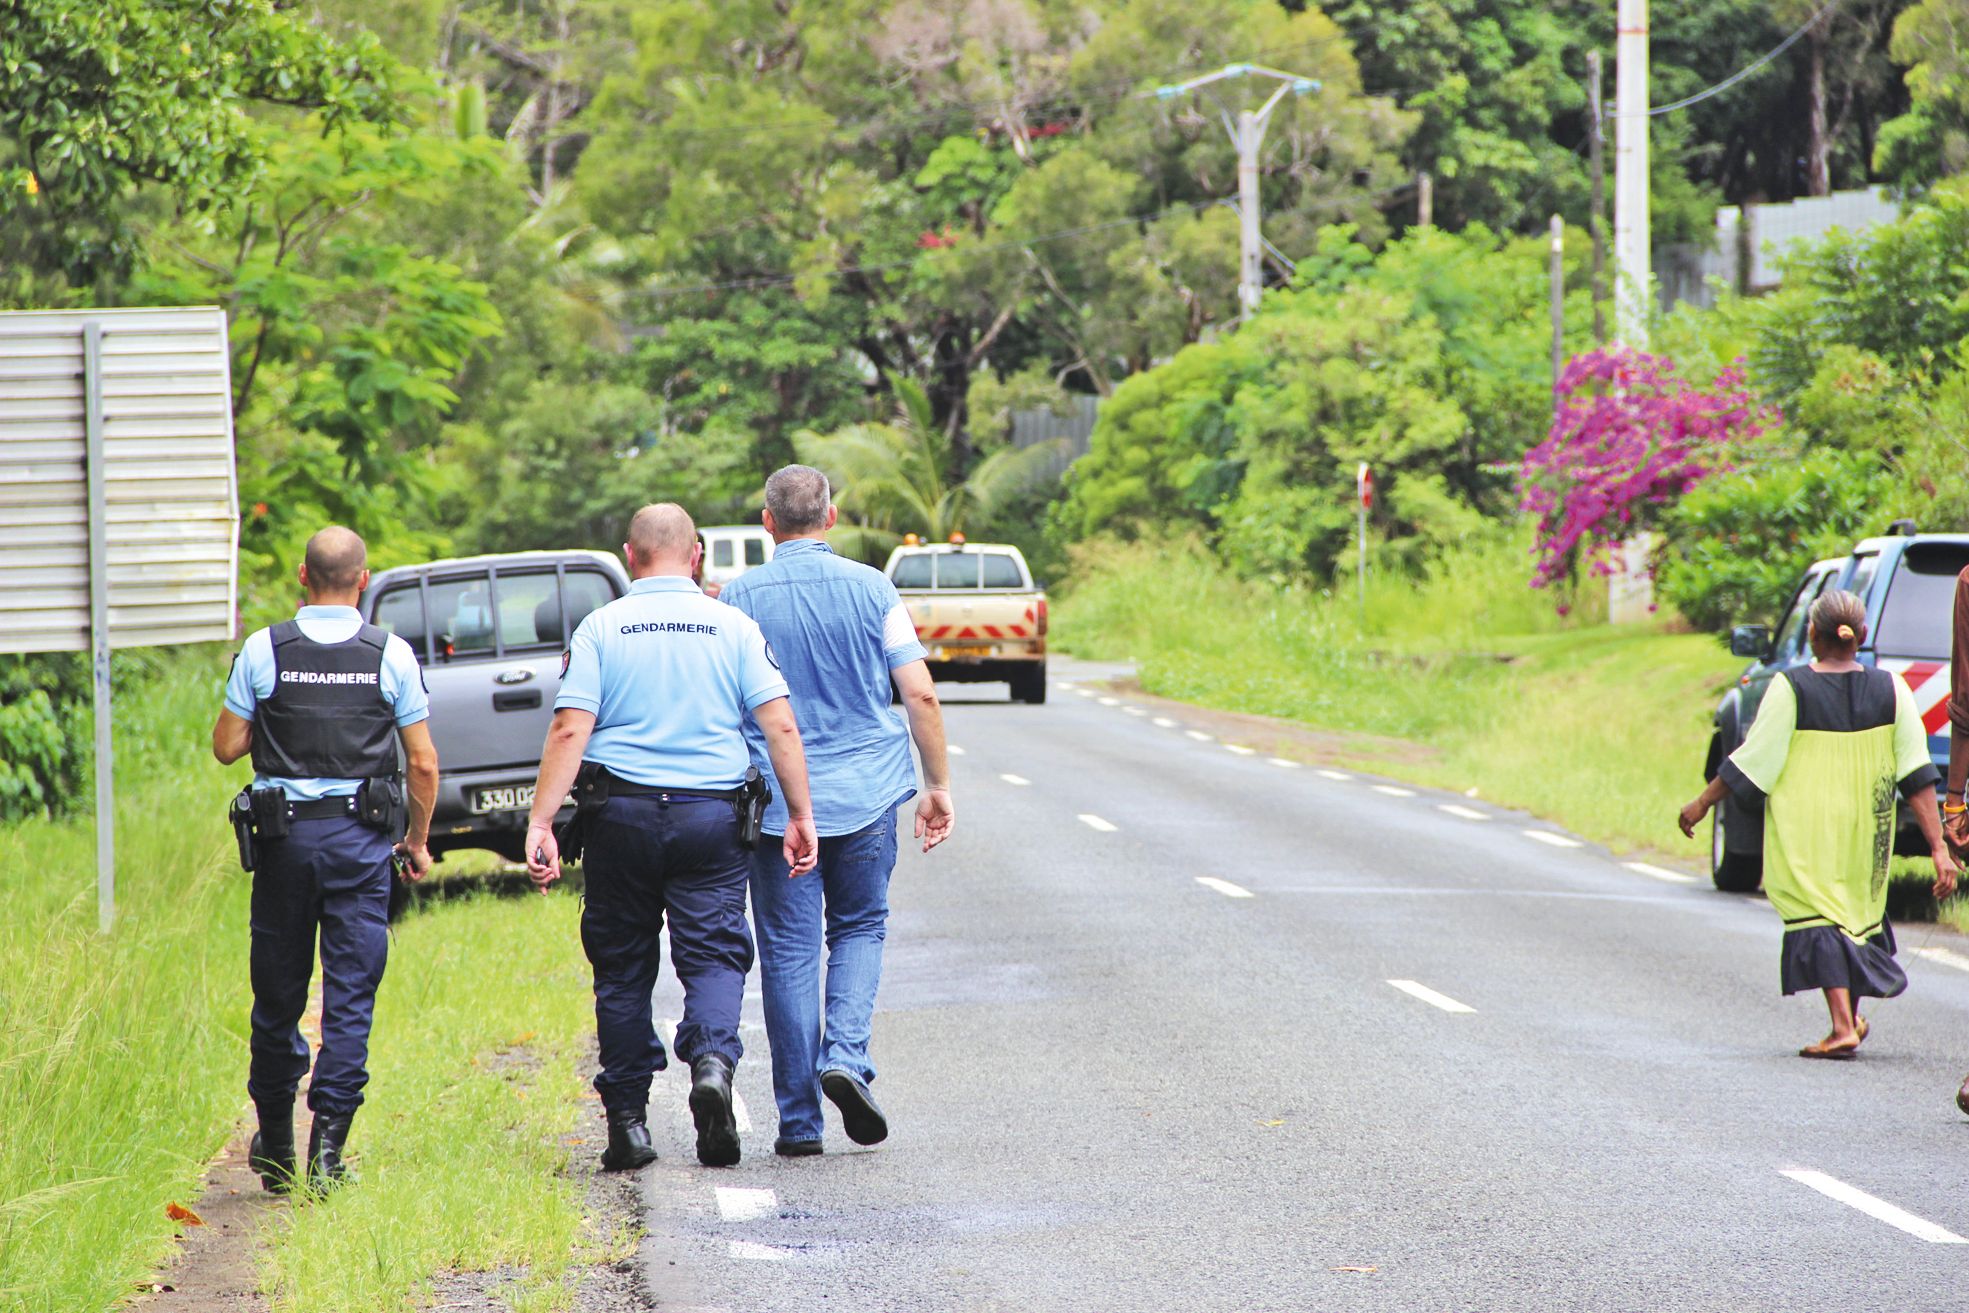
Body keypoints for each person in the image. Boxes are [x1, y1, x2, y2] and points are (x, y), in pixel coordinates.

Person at [523, 504, 818, 1169]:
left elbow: (570, 728)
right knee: (713, 955)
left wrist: (541, 820)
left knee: (622, 967)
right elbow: (780, 727)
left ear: (630, 554)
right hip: (710, 819)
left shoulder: (600, 627)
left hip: (619, 817)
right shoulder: (732, 625)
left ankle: (627, 1123)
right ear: (697, 555)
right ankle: (711, 1061)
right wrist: (801, 814)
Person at [721, 466, 955, 1157]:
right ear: (832, 516)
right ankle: (845, 1058)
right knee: (858, 928)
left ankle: (799, 1124)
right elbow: (919, 692)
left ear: (767, 521)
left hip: (775, 805)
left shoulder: (738, 598)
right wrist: (937, 782)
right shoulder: (872, 587)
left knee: (789, 952)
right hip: (866, 790)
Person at [210, 526, 438, 1193]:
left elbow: (227, 746)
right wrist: (417, 840)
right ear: (362, 579)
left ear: (303, 578)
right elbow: (422, 760)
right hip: (361, 847)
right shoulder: (388, 653)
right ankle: (328, 1151)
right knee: (349, 996)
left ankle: (277, 1145)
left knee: (277, 995)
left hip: (283, 846)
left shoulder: (264, 648)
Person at [1679, 589, 1959, 1058]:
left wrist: (1702, 802)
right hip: (1869, 827)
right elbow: (1917, 775)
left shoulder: (1790, 688)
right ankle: (1853, 1017)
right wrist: (1936, 847)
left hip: (1807, 826)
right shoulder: (1893, 690)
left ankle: (1842, 1026)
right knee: (1853, 914)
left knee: (1816, 910)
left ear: (1812, 634)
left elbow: (1752, 761)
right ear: (1862, 636)